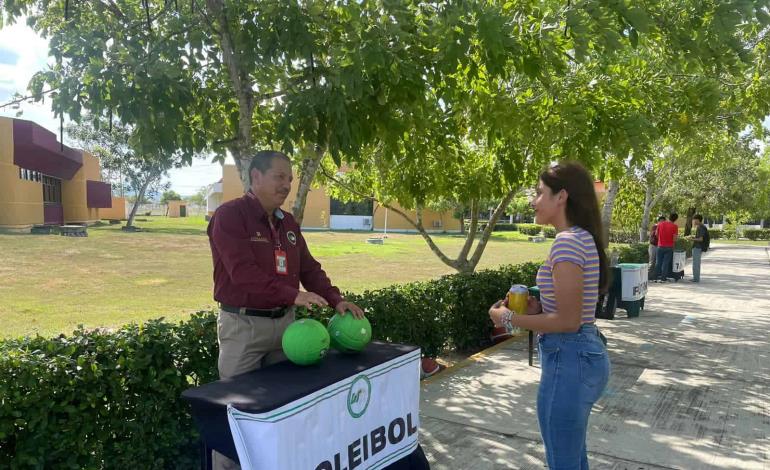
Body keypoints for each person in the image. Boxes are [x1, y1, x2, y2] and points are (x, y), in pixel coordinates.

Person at [207, 150, 364, 469]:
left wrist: (336, 299)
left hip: (287, 329)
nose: (287, 184)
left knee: (282, 411)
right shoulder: (230, 216)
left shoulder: (288, 222)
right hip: (243, 328)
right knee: (237, 418)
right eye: (280, 177)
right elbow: (243, 272)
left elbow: (309, 268)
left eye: (290, 179)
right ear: (256, 177)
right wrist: (293, 294)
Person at [489, 162, 610, 469]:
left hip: (569, 358)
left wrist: (506, 318)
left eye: (540, 193)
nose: (533, 201)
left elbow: (568, 323)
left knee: (563, 462)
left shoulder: (567, 242)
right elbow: (573, 312)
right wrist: (538, 309)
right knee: (571, 458)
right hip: (580, 355)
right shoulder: (582, 237)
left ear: (562, 197)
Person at [654, 212, 679, 282]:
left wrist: (661, 239)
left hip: (660, 246)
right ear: (676, 219)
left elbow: (656, 234)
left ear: (669, 217)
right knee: (665, 263)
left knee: (658, 262)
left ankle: (655, 277)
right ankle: (663, 278)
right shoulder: (675, 226)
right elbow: (675, 239)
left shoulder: (660, 224)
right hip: (669, 247)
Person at [688, 214, 708, 282]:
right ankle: (696, 278)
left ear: (698, 220)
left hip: (697, 247)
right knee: (696, 263)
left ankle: (696, 278)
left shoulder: (700, 227)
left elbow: (701, 239)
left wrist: (692, 239)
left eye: (694, 219)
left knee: (696, 263)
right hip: (698, 247)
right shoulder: (701, 226)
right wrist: (694, 237)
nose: (693, 221)